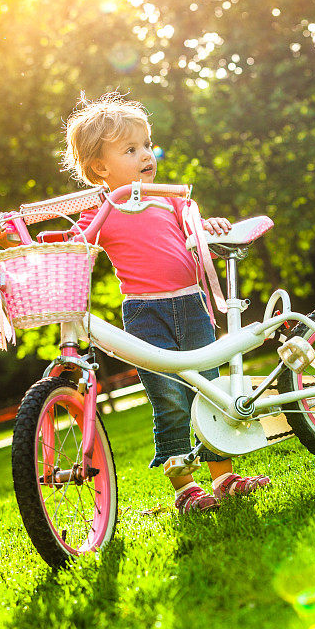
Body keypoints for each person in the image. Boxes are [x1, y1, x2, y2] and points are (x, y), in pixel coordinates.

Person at [61, 93, 270, 514]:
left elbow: (196, 238)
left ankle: (223, 476)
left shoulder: (170, 198)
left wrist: (206, 227)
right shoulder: (103, 209)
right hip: (145, 314)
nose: (146, 155)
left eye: (147, 144)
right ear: (101, 168)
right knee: (170, 400)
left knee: (210, 390)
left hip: (192, 306)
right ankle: (185, 488)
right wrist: (17, 242)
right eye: (131, 149)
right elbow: (72, 248)